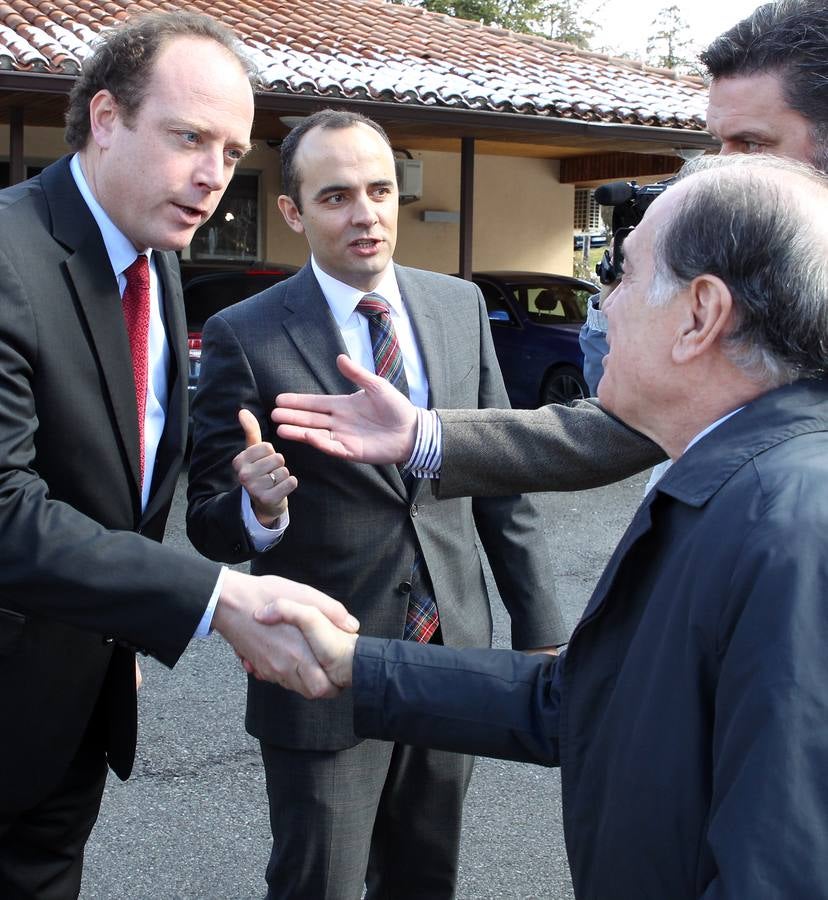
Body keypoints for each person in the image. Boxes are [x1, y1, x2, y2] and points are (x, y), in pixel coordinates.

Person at [268, 153, 828, 898]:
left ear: (700, 315)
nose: (602, 307)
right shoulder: (739, 485)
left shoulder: (787, 527)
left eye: (621, 275)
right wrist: (349, 662)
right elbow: (590, 705)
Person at [185, 108, 630, 900]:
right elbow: (208, 517)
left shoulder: (457, 308)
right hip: (321, 664)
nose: (366, 214)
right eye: (336, 197)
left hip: (451, 648)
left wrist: (540, 627)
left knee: (426, 876)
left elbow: (499, 479)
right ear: (291, 211)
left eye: (381, 190)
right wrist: (259, 509)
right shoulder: (243, 334)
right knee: (317, 880)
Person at [0, 15, 354, 899]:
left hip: (65, 718)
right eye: (189, 137)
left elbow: (127, 486)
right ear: (107, 118)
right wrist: (215, 598)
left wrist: (245, 507)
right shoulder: (8, 254)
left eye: (231, 153)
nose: (213, 176)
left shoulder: (154, 267)